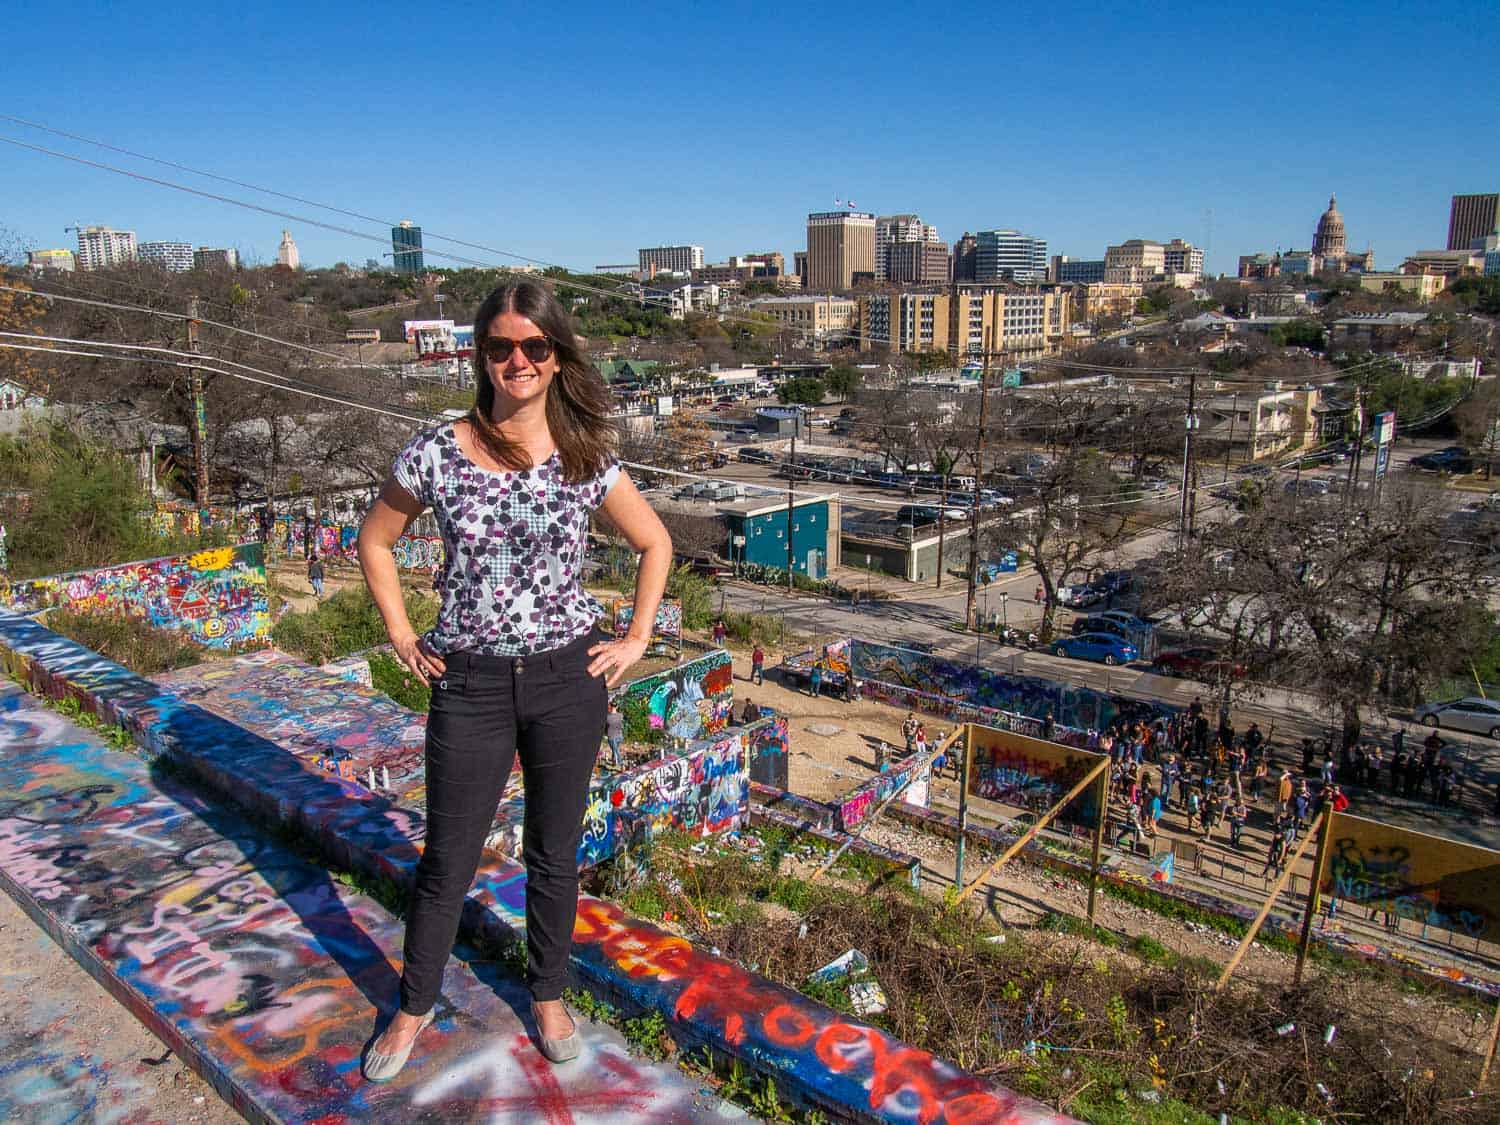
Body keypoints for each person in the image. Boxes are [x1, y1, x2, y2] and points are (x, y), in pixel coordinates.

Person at [355, 279, 672, 1079]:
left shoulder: (584, 455)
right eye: (501, 346)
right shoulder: (437, 450)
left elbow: (655, 543)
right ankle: (413, 1006)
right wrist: (400, 633)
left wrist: (636, 638)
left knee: (553, 853)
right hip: (471, 682)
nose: (518, 361)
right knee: (449, 857)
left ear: (557, 357)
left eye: (535, 346)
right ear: (481, 355)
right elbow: (376, 540)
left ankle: (548, 993)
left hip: (569, 678)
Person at [605, 699, 626, 769]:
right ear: (616, 707)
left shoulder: (608, 717)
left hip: (612, 737)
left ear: (610, 707)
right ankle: (614, 762)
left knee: (616, 750)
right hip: (620, 736)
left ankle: (621, 764)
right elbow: (622, 725)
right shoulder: (621, 715)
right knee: (615, 749)